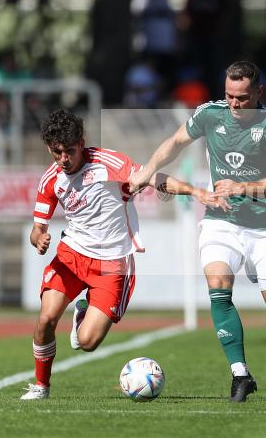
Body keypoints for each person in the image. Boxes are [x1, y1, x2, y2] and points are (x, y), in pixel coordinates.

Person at [128, 60, 266, 402]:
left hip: (264, 229)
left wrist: (240, 187)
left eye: (242, 98)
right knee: (218, 287)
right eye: (229, 96)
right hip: (220, 221)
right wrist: (148, 169)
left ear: (259, 92)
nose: (234, 104)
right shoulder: (210, 113)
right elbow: (174, 142)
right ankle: (240, 375)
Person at [21, 109, 225, 400]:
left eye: (69, 151)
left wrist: (195, 192)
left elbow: (154, 178)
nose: (63, 159)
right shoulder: (51, 179)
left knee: (87, 342)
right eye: (56, 153)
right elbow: (37, 227)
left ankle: (83, 315)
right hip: (72, 255)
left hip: (112, 263)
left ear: (82, 142)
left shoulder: (109, 163)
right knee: (46, 320)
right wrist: (38, 237)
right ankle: (41, 386)